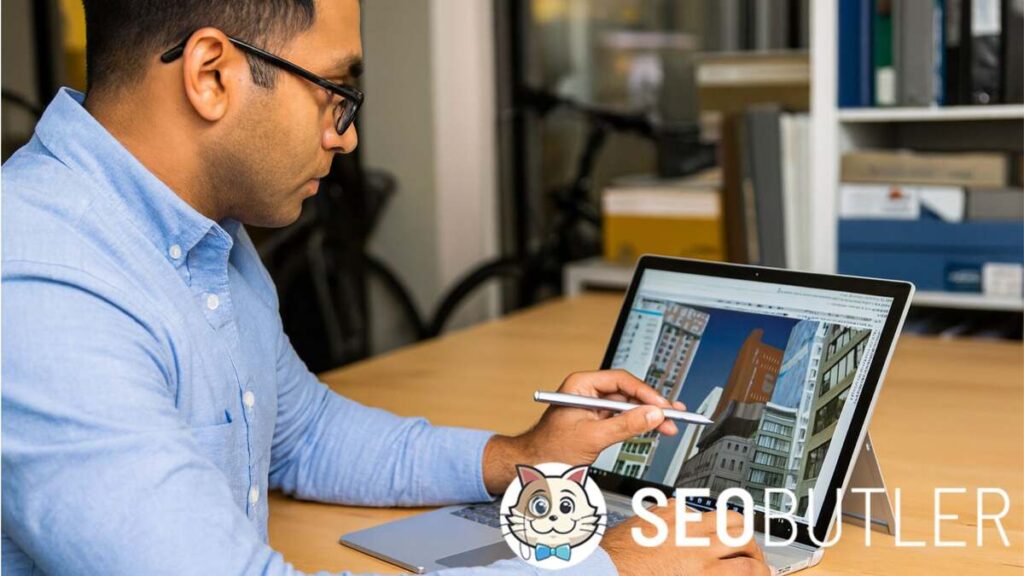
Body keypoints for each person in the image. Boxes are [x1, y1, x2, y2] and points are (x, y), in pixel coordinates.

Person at [0, 1, 770, 575]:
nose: (347, 134)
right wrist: (611, 566)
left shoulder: (208, 238)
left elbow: (305, 436)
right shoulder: (39, 284)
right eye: (334, 90)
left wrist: (523, 455)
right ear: (211, 75)